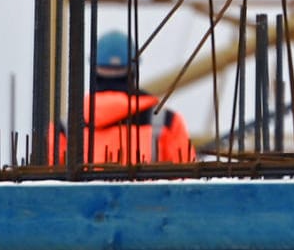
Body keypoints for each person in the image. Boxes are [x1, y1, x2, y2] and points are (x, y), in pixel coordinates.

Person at [51, 30, 196, 164]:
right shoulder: (166, 122)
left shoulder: (65, 128)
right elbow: (188, 185)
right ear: (134, 68)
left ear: (94, 68)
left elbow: (48, 185)